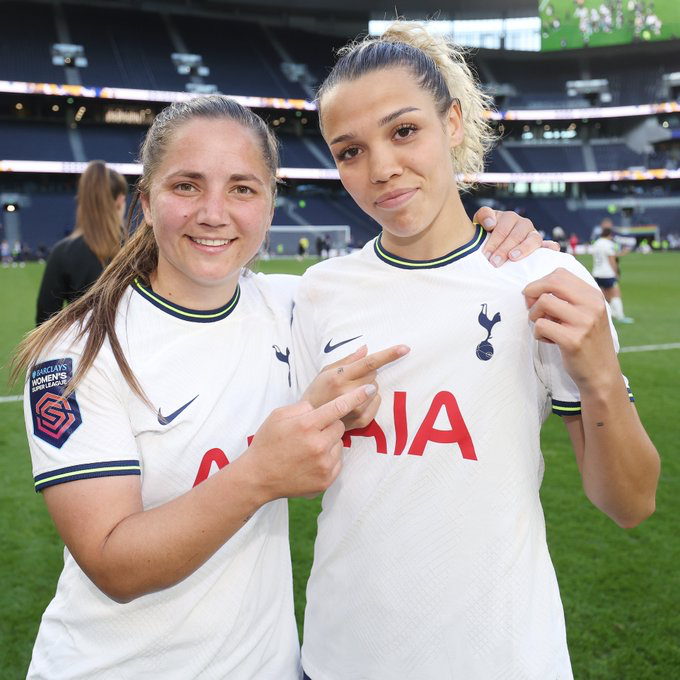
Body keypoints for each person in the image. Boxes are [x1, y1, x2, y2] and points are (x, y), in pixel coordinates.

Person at [14, 95, 544, 679]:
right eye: (187, 186)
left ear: (270, 205)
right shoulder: (78, 352)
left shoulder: (299, 307)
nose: (214, 213)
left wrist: (497, 230)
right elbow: (113, 565)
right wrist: (258, 474)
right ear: (145, 201)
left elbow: (422, 283)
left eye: (243, 189)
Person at [292, 22, 659, 680]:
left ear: (453, 122)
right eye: (349, 151)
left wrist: (601, 376)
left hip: (504, 657)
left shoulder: (543, 281)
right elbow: (280, 468)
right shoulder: (318, 294)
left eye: (404, 131)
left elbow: (629, 503)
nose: (381, 168)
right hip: (343, 656)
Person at [35, 161, 128, 325]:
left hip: (85, 349)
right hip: (133, 349)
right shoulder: (139, 249)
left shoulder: (63, 253)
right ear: (120, 201)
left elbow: (44, 322)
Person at [591, 224, 633, 323]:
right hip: (607, 273)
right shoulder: (608, 244)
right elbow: (612, 259)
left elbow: (608, 255)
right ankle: (620, 316)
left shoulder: (596, 243)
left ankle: (606, 315)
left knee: (605, 296)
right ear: (610, 235)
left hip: (597, 273)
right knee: (616, 294)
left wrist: (622, 253)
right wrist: (616, 272)